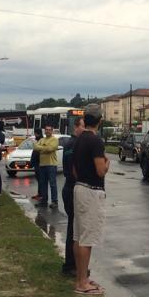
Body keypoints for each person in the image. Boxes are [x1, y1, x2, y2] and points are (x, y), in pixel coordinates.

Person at [72, 104, 109, 295]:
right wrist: (107, 162)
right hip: (92, 191)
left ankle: (81, 278)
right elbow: (100, 170)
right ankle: (82, 283)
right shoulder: (96, 142)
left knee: (79, 237)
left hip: (79, 188)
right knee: (87, 239)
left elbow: (74, 170)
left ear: (85, 120)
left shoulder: (78, 140)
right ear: (100, 121)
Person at [61, 117, 84, 276]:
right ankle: (72, 265)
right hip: (73, 188)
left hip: (68, 187)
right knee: (75, 231)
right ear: (76, 127)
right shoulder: (76, 144)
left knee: (72, 228)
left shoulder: (69, 143)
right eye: (84, 126)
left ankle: (71, 264)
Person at [34, 126, 59, 208]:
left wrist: (41, 148)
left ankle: (54, 201)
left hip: (51, 165)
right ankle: (44, 201)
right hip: (42, 165)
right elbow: (35, 147)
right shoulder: (42, 140)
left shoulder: (54, 139)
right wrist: (45, 148)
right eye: (46, 130)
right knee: (43, 184)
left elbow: (50, 149)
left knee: (52, 184)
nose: (47, 131)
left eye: (49, 130)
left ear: (52, 131)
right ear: (44, 131)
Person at [30, 128, 43, 201]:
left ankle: (41, 195)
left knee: (40, 180)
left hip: (39, 163)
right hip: (37, 163)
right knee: (39, 179)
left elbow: (37, 152)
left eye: (35, 133)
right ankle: (39, 193)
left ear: (37, 133)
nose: (34, 135)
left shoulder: (41, 140)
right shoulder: (38, 140)